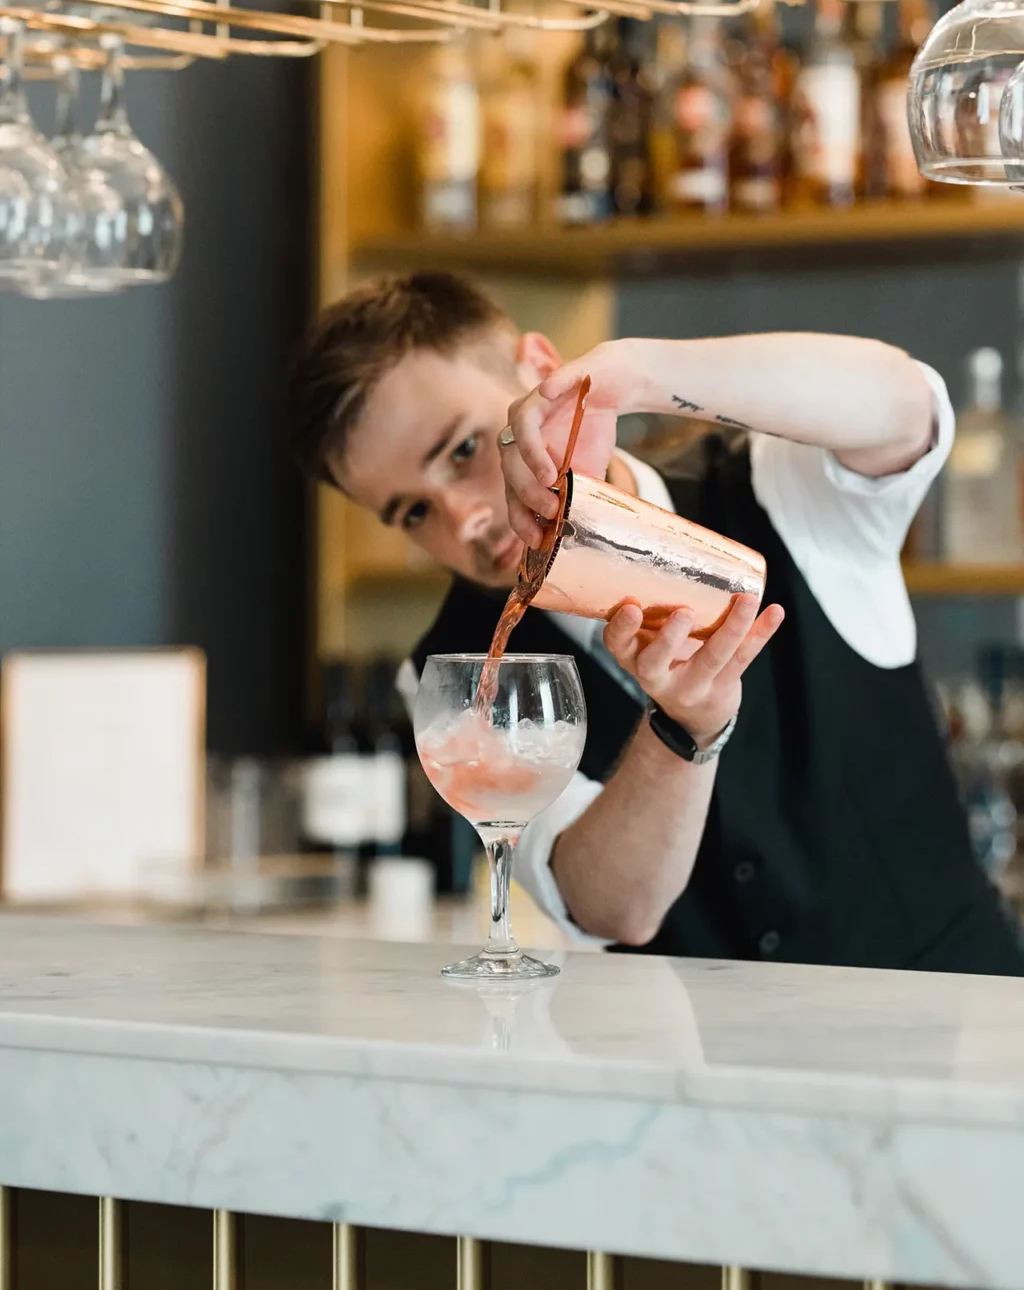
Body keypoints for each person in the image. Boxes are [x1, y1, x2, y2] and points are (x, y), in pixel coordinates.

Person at [287, 270, 1023, 974]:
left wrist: (633, 373)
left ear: (541, 370)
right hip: (703, 1084)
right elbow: (611, 908)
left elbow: (905, 405)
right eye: (412, 512)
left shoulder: (776, 488)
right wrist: (682, 734)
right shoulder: (454, 671)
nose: (465, 519)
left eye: (465, 449)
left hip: (958, 1028)